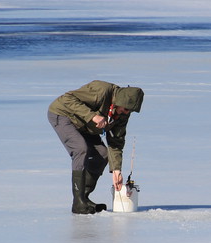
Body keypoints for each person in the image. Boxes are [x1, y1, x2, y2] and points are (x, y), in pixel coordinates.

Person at [48, 81, 144, 214]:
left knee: (103, 155)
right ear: (121, 100)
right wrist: (92, 116)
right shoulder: (101, 91)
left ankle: (83, 198)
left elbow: (116, 142)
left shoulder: (122, 114)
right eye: (126, 109)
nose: (126, 113)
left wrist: (116, 170)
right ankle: (78, 203)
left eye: (130, 111)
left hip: (86, 127)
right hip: (63, 115)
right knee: (80, 149)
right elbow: (67, 99)